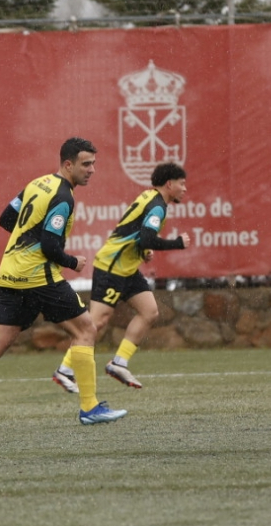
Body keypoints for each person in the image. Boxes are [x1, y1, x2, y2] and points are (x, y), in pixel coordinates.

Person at [0, 138, 127, 429]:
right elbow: (49, 247)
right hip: (37, 277)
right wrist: (73, 262)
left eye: (93, 163)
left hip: (9, 273)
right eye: (86, 164)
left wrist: (26, 235)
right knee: (86, 328)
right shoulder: (64, 197)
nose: (92, 169)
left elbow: (6, 219)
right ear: (67, 164)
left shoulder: (37, 184)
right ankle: (90, 408)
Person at [82, 162, 191, 390]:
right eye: (181, 184)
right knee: (95, 322)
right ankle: (66, 368)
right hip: (112, 266)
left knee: (149, 312)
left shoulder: (151, 197)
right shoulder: (158, 205)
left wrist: (142, 251)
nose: (184, 189)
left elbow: (134, 232)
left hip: (127, 268)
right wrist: (177, 243)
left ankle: (119, 363)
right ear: (169, 184)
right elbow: (147, 238)